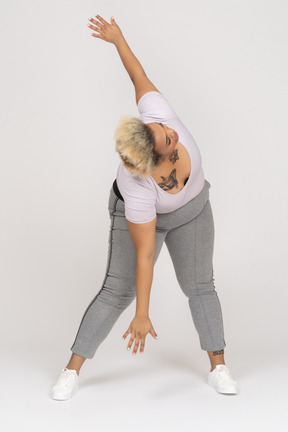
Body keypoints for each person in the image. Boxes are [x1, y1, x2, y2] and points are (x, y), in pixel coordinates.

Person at [51, 14, 239, 400]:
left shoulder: (158, 114)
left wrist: (118, 39)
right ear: (153, 160)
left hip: (194, 211)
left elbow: (138, 75)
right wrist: (142, 312)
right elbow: (146, 253)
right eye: (167, 138)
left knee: (200, 286)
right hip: (139, 221)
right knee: (116, 292)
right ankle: (72, 369)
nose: (171, 129)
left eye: (164, 127)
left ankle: (219, 366)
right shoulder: (136, 188)